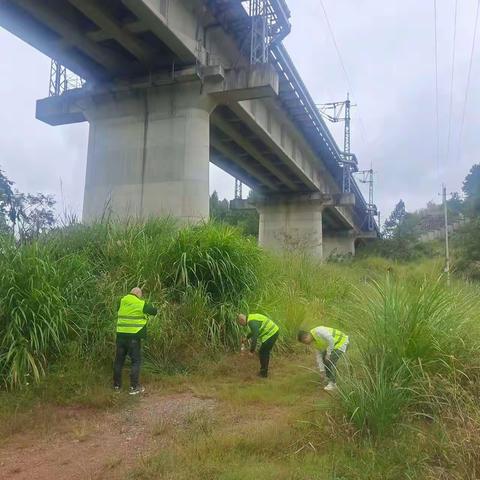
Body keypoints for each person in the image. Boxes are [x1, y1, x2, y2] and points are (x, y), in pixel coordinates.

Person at [113, 287, 157, 395]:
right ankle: (134, 387)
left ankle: (116, 386)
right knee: (136, 361)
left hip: (120, 336)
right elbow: (153, 311)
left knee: (119, 361)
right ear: (138, 294)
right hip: (133, 337)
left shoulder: (121, 301)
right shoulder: (140, 303)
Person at [297, 326, 349, 391]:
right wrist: (322, 370)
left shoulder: (319, 331)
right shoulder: (315, 342)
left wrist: (329, 353)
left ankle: (333, 384)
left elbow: (331, 340)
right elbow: (319, 356)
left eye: (305, 342)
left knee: (330, 360)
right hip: (334, 345)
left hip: (341, 342)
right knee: (324, 357)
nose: (306, 344)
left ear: (306, 337)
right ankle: (328, 377)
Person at [237, 313, 279, 378]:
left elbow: (255, 336)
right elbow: (254, 331)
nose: (242, 325)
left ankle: (263, 374)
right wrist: (247, 337)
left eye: (241, 324)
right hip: (274, 331)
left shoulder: (251, 322)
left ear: (242, 320)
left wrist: (251, 351)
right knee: (265, 352)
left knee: (263, 352)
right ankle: (264, 372)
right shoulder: (251, 317)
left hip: (272, 333)